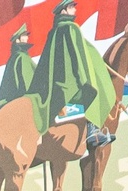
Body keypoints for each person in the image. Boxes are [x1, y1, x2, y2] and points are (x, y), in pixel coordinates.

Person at [34, 0, 117, 153]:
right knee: (94, 90)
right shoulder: (72, 28)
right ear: (63, 11)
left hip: (56, 86)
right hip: (70, 84)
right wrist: (84, 79)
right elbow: (79, 56)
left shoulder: (54, 31)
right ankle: (93, 133)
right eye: (71, 7)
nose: (74, 10)